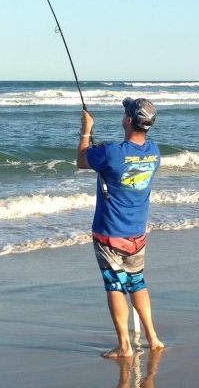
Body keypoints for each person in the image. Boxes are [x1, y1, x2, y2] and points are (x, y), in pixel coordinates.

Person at [77, 97, 165, 357]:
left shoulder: (111, 152)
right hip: (137, 232)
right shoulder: (154, 152)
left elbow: (82, 160)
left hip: (109, 233)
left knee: (115, 287)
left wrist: (86, 129)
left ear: (128, 120)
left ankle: (125, 346)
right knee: (137, 283)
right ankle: (153, 338)